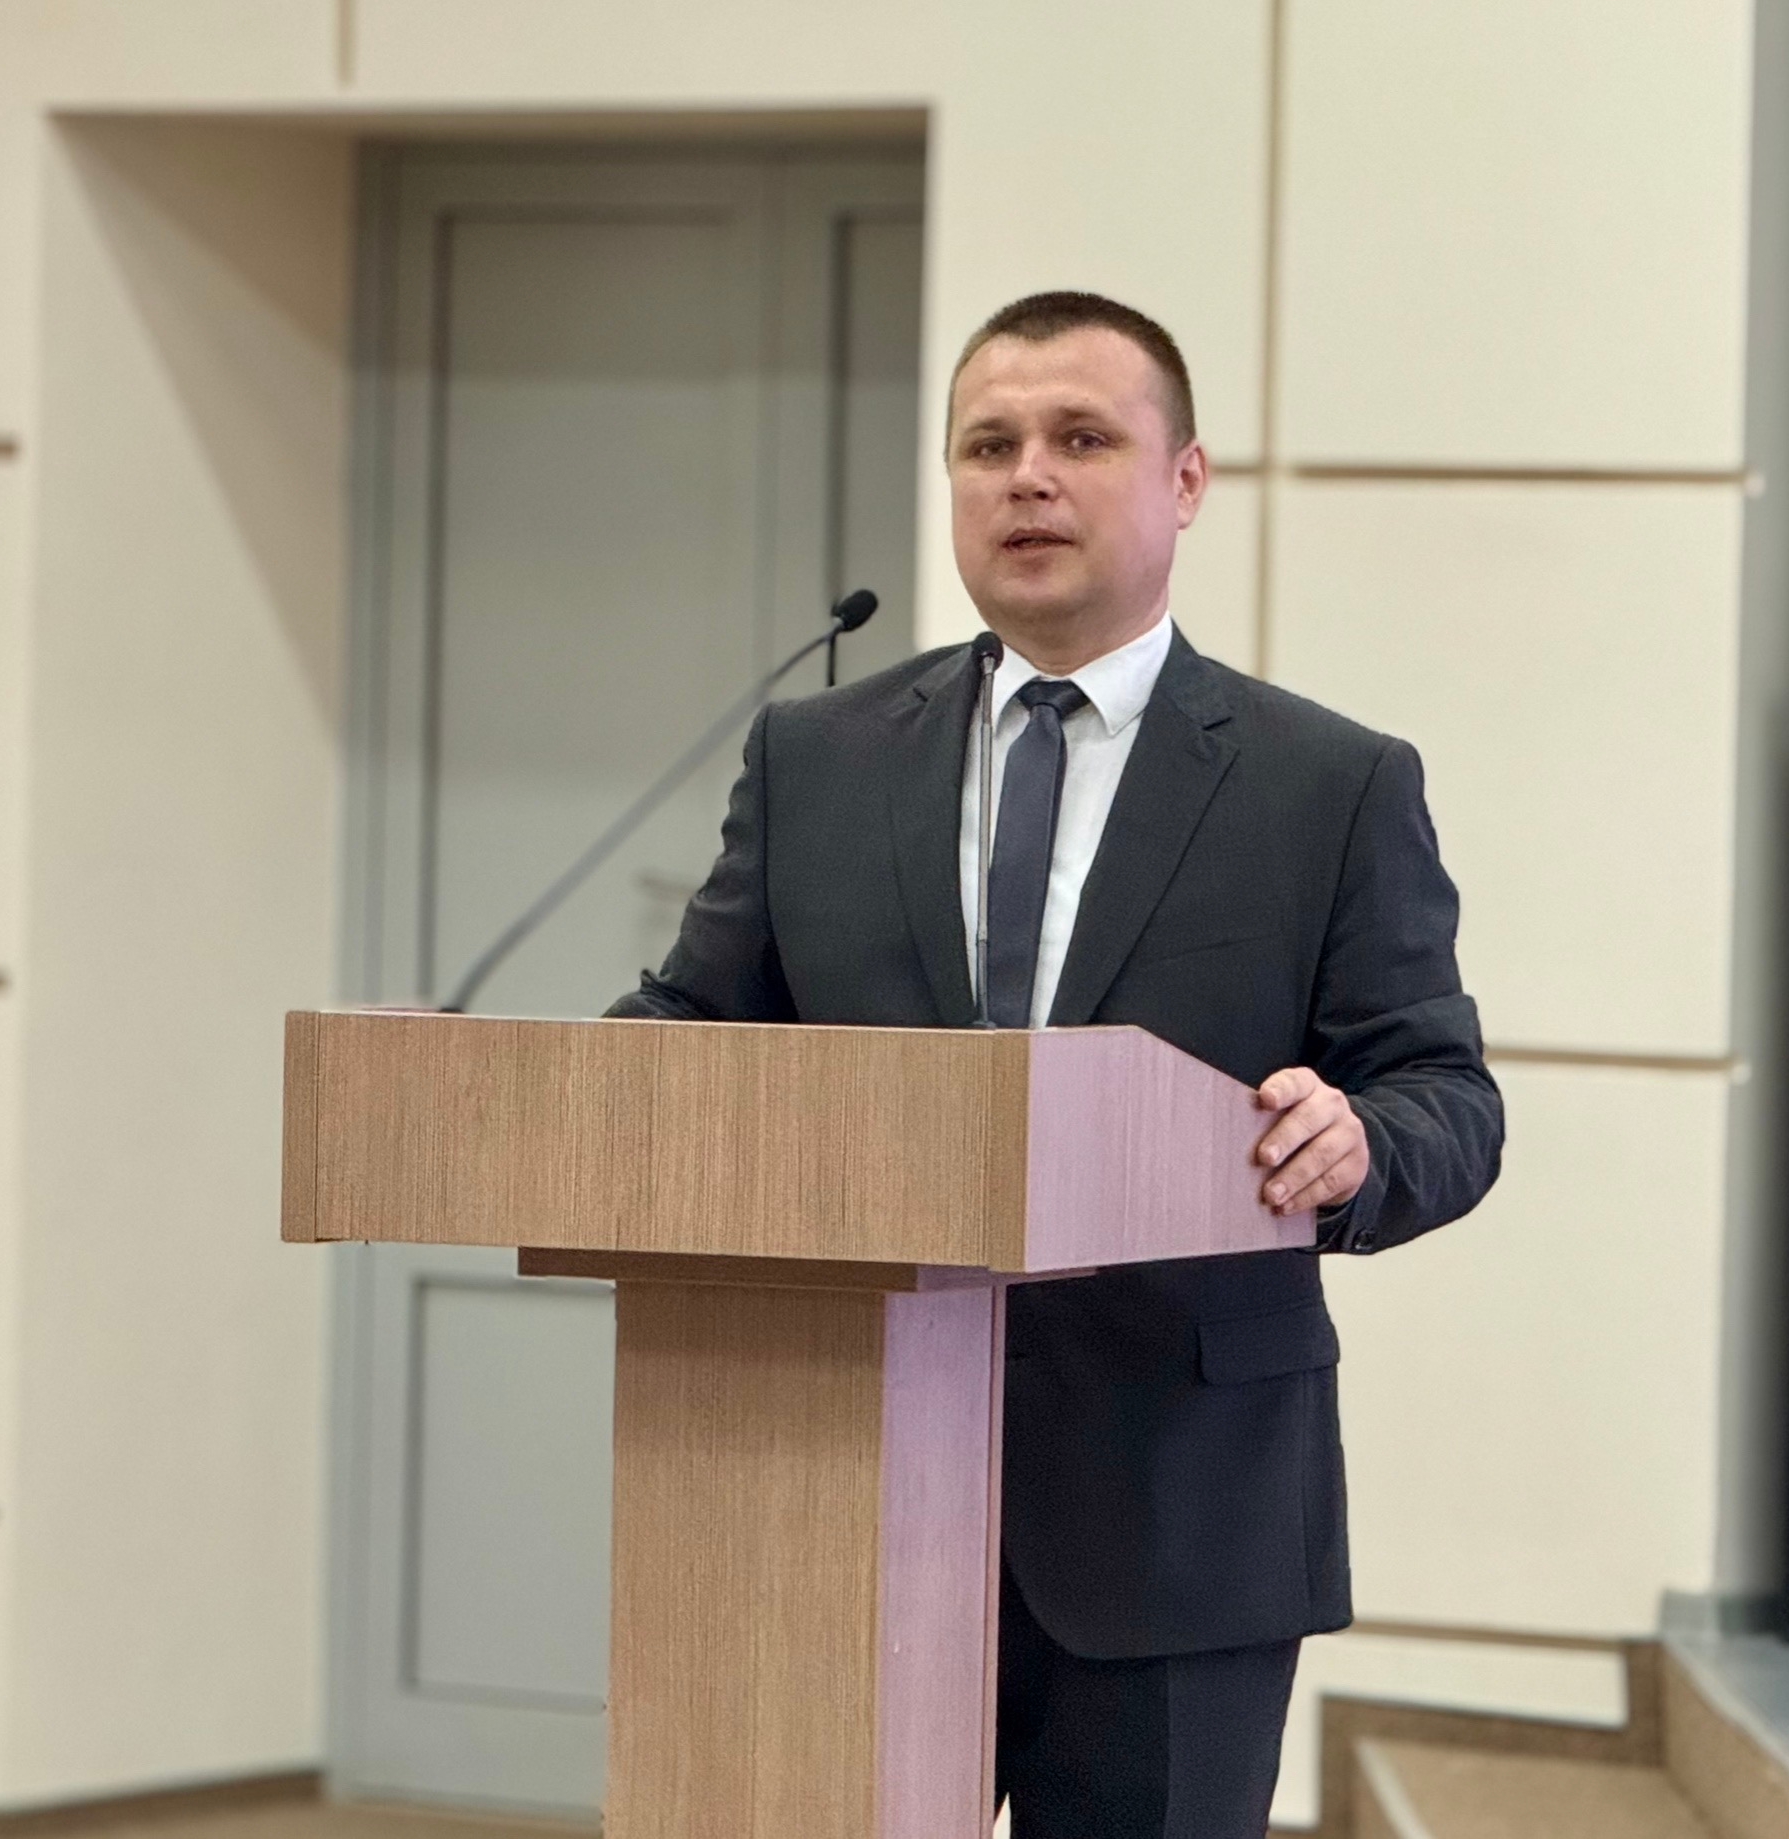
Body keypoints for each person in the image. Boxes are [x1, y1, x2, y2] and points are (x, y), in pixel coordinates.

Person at [608, 290, 1502, 1838]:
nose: (1027, 476)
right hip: (841, 1496)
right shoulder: (816, 761)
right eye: (989, 445)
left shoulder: (1326, 784)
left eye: (1081, 438)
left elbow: (1446, 1098)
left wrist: (1361, 1142)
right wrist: (556, 1093)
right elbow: (688, 1029)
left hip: (1179, 1516)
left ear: (1186, 481)